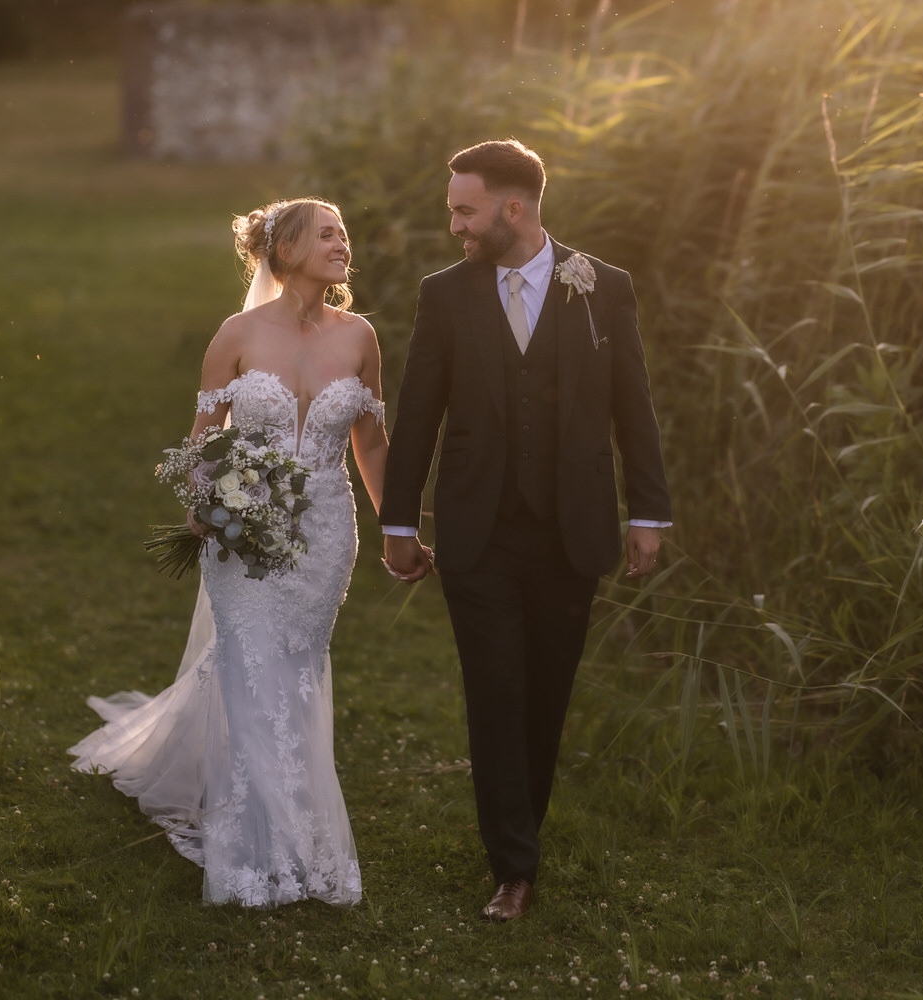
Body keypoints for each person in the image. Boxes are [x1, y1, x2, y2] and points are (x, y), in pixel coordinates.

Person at [69, 197, 411, 908]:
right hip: (245, 533)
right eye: (326, 234)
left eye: (343, 234)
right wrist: (209, 505)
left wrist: (399, 528)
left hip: (324, 532)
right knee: (254, 671)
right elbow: (203, 437)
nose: (342, 243)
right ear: (283, 250)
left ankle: (283, 830)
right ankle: (263, 848)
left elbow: (370, 442)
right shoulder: (236, 334)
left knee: (295, 668)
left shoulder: (361, 338)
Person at [381, 139, 671, 922]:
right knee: (497, 690)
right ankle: (513, 866)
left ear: (515, 207)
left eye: (465, 210)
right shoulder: (446, 295)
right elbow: (417, 414)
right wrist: (399, 520)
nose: (455, 227)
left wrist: (648, 510)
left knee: (546, 693)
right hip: (478, 534)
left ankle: (523, 838)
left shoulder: (602, 286)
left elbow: (632, 405)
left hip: (571, 530)